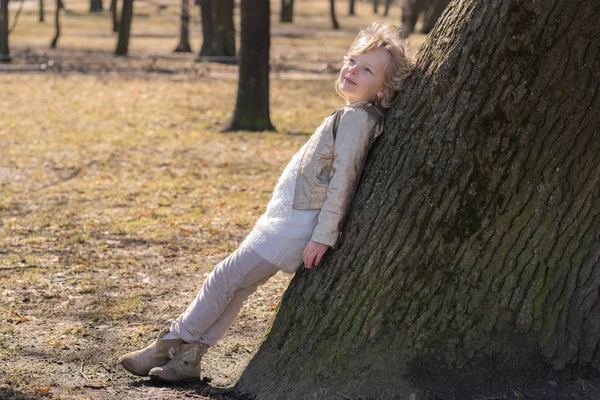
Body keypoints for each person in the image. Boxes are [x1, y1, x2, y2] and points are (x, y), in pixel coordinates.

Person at [118, 21, 413, 383]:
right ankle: (187, 361)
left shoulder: (358, 120)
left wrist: (324, 235)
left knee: (222, 278)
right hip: (285, 222)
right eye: (352, 61)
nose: (352, 70)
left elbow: (344, 180)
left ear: (384, 90)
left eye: (367, 69)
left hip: (295, 227)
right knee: (238, 287)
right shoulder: (351, 115)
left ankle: (166, 345)